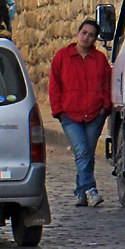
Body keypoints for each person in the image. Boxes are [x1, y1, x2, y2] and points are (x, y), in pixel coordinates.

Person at [49, 19, 112, 207]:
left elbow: (107, 84)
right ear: (78, 33)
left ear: (95, 39)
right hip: (69, 116)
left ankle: (80, 192)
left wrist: (105, 107)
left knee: (87, 154)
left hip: (95, 115)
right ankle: (91, 190)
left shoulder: (100, 60)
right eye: (84, 32)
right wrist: (59, 111)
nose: (86, 37)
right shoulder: (62, 57)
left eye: (91, 35)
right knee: (82, 151)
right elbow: (54, 86)